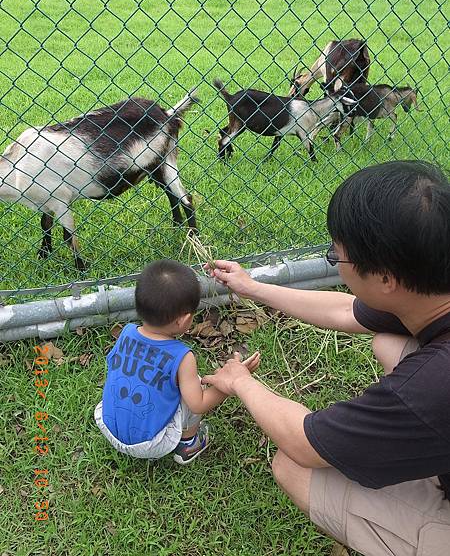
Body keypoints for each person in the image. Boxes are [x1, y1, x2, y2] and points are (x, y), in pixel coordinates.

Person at [203, 160, 450, 555]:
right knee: (387, 342)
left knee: (294, 466)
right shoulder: (429, 286)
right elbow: (347, 310)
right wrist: (252, 287)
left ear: (387, 279)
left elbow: (303, 442)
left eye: (338, 258)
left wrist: (239, 381)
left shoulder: (429, 387)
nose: (335, 263)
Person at [94, 259, 260, 465]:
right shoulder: (182, 357)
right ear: (183, 320)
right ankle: (189, 444)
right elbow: (198, 404)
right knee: (193, 384)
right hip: (150, 444)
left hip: (106, 424)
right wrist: (229, 384)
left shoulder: (126, 332)